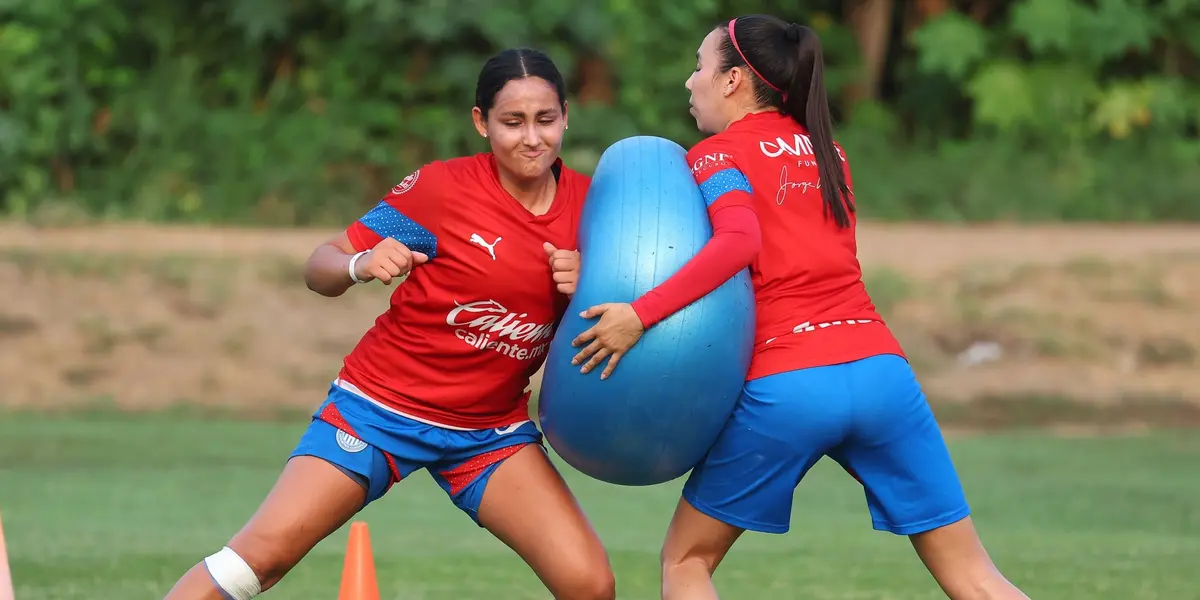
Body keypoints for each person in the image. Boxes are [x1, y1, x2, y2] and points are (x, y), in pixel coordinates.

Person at [558, 15, 1032, 600]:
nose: (690, 81)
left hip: (791, 380)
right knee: (975, 577)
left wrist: (639, 314)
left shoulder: (717, 155)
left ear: (732, 80)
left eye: (700, 66)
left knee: (686, 560)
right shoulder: (829, 150)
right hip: (881, 373)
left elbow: (738, 242)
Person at [162, 48, 614, 600]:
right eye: (512, 122)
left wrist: (595, 284)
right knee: (261, 558)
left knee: (590, 585)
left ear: (566, 116)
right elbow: (320, 266)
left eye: (545, 120)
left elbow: (624, 315)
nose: (532, 138)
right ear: (481, 122)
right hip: (378, 412)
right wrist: (359, 264)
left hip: (488, 431)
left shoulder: (596, 208)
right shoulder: (441, 189)